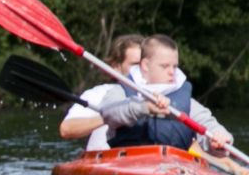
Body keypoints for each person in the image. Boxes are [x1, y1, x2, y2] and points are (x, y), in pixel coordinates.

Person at [96, 34, 234, 153]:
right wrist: (144, 107)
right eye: (165, 66)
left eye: (175, 66)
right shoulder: (120, 90)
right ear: (145, 65)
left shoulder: (185, 100)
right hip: (128, 160)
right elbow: (108, 114)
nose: (172, 72)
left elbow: (209, 124)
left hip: (175, 165)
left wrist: (219, 139)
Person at [58, 34, 144, 151]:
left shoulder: (161, 97)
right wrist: (110, 117)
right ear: (116, 67)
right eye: (136, 65)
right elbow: (66, 129)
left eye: (146, 64)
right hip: (105, 158)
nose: (143, 70)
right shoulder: (100, 93)